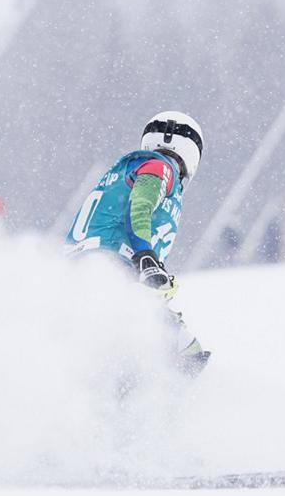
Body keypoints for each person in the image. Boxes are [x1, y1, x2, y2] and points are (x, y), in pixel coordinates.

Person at [65, 111, 208, 371]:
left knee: (169, 350)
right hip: (111, 269)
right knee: (182, 355)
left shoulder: (123, 172)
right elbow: (140, 206)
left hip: (90, 270)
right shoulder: (160, 168)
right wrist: (146, 257)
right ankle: (133, 403)